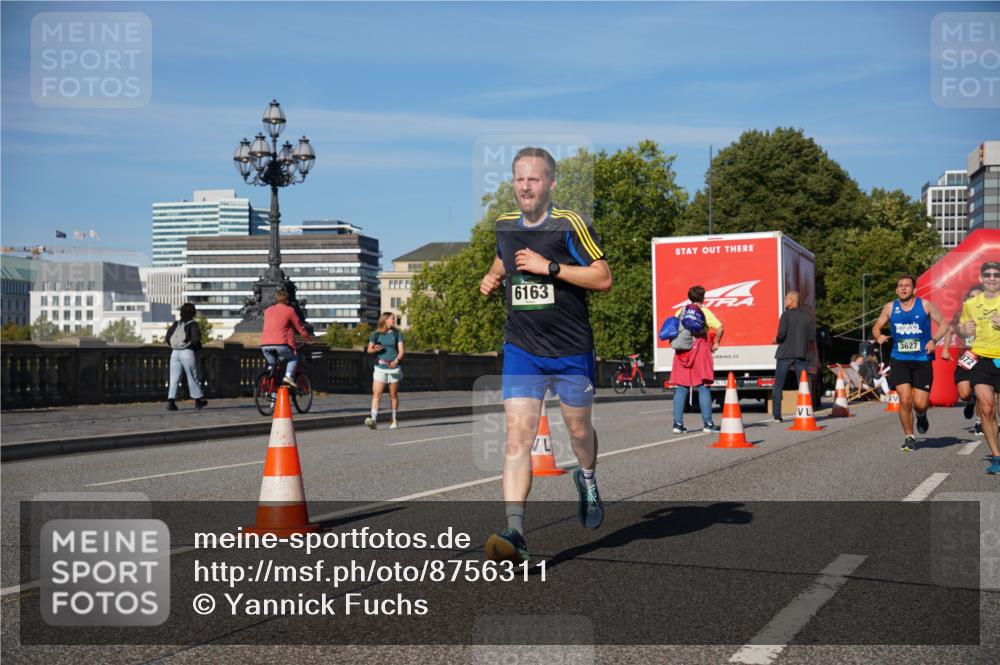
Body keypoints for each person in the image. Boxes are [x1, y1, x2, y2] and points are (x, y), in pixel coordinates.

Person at [478, 146, 612, 562]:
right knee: (518, 437)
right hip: (523, 348)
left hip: (571, 350)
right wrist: (492, 274)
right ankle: (514, 531)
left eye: (533, 179)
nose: (525, 186)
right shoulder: (503, 225)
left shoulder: (569, 224)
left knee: (578, 433)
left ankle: (587, 477)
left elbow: (603, 277)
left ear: (550, 183)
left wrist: (548, 267)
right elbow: (504, 256)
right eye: (519, 178)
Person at [872, 274, 951, 452]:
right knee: (905, 400)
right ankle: (909, 436)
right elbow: (876, 327)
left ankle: (921, 414)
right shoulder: (890, 307)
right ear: (896, 289)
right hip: (899, 359)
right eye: (900, 286)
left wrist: (934, 340)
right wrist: (879, 336)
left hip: (922, 359)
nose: (903, 288)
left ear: (914, 290)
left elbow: (944, 324)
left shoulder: (924, 305)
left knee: (920, 403)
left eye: (907, 286)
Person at [959, 261, 1000, 474]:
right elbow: (963, 329)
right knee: (986, 408)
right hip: (981, 359)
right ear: (981, 279)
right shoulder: (972, 304)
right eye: (988, 274)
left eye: (996, 274)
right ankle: (996, 456)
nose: (992, 278)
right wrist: (965, 329)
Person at [671, 285, 724, 433]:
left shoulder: (680, 311)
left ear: (689, 297)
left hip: (682, 352)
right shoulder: (704, 311)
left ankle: (677, 425)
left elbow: (674, 329)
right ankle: (707, 424)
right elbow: (720, 327)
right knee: (703, 386)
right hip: (700, 349)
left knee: (681, 388)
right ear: (703, 297)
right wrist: (716, 342)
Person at [771, 291, 814, 422]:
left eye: (786, 299)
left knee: (779, 384)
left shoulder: (785, 316)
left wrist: (776, 340)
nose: (785, 301)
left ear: (792, 299)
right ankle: (806, 411)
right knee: (804, 385)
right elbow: (811, 339)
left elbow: (781, 334)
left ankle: (777, 415)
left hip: (785, 354)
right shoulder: (807, 317)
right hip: (801, 355)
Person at [260, 289, 312, 389]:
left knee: (273, 366)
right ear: (286, 300)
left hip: (264, 345)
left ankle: (269, 387)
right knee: (293, 357)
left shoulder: (267, 310)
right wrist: (307, 338)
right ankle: (288, 376)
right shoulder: (289, 310)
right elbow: (299, 326)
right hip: (281, 344)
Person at [365, 312, 405, 430]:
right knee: (377, 394)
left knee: (393, 395)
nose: (394, 320)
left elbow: (402, 351)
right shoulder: (375, 334)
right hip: (380, 367)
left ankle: (394, 419)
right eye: (393, 318)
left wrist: (396, 361)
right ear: (386, 320)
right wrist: (374, 349)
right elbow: (369, 350)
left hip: (394, 368)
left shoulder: (398, 334)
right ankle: (373, 420)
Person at [955, 285, 985, 436]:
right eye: (972, 297)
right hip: (967, 357)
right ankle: (970, 401)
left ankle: (980, 422)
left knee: (982, 392)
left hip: (984, 357)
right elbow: (955, 330)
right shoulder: (962, 315)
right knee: (964, 393)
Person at [165, 302, 206, 410]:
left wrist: (175, 345)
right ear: (193, 312)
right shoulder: (193, 324)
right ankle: (198, 401)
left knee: (173, 378)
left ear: (181, 313)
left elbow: (168, 337)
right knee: (192, 376)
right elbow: (196, 340)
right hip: (187, 352)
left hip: (174, 352)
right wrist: (194, 348)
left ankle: (171, 402)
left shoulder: (176, 324)